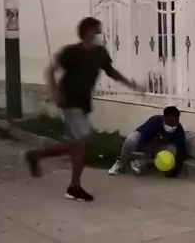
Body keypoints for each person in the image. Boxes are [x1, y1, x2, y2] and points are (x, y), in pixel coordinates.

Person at [26, 16, 140, 202]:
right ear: (87, 31)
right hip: (70, 101)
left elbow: (110, 71)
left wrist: (130, 83)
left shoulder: (99, 53)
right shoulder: (71, 52)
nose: (99, 33)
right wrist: (55, 93)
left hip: (83, 103)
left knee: (79, 146)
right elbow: (50, 71)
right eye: (96, 29)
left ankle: (36, 155)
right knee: (81, 143)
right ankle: (74, 187)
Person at [109, 106, 186, 177]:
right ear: (164, 119)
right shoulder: (155, 122)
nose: (172, 126)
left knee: (173, 150)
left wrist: (174, 171)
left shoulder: (179, 130)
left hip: (160, 145)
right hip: (144, 140)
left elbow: (181, 150)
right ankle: (121, 162)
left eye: (174, 122)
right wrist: (140, 154)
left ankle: (149, 164)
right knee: (131, 140)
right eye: (169, 122)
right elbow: (144, 138)